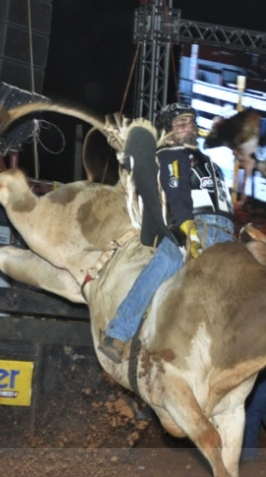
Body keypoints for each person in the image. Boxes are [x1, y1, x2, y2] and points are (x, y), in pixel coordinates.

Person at [98, 102, 235, 363]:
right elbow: (176, 192)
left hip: (227, 233)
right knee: (162, 264)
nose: (189, 127)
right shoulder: (173, 155)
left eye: (191, 123)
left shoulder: (209, 163)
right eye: (181, 123)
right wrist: (187, 226)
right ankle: (118, 333)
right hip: (197, 226)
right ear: (168, 131)